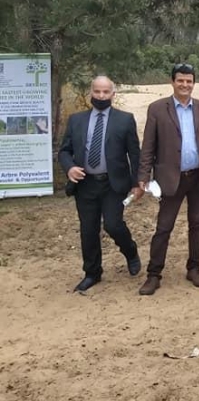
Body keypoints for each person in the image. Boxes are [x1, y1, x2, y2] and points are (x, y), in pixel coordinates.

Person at [137, 63, 199, 296]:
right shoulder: (157, 109)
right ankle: (154, 275)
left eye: (189, 81)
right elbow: (148, 147)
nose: (185, 84)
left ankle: (194, 268)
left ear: (194, 83)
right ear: (172, 82)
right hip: (170, 179)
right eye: (180, 80)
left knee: (197, 223)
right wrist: (143, 176)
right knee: (164, 226)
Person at [58, 76, 141, 292]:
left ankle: (130, 251)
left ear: (113, 94)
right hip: (85, 185)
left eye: (106, 92)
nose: (101, 96)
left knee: (113, 225)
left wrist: (137, 183)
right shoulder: (76, 120)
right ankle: (92, 273)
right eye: (97, 92)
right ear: (90, 93)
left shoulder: (125, 119)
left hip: (114, 184)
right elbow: (64, 151)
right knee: (88, 230)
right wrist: (69, 168)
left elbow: (135, 154)